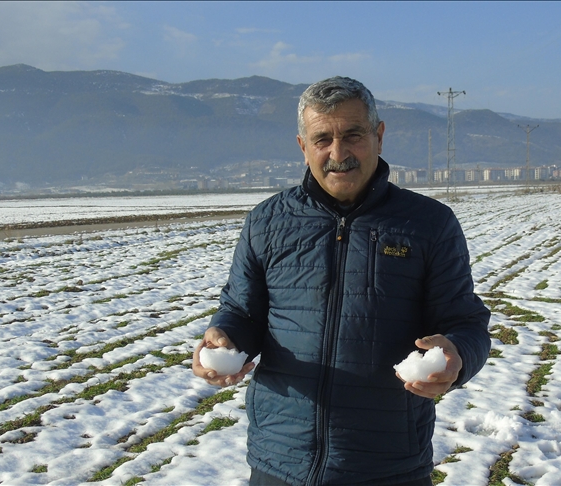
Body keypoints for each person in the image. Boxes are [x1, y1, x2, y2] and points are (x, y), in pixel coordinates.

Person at [192, 76, 491, 486]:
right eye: (322, 139)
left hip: (387, 465)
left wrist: (458, 356)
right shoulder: (267, 222)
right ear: (303, 146)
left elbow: (465, 322)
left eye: (353, 135)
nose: (338, 153)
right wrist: (224, 338)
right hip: (281, 459)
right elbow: (242, 312)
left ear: (378, 136)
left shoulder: (428, 224)